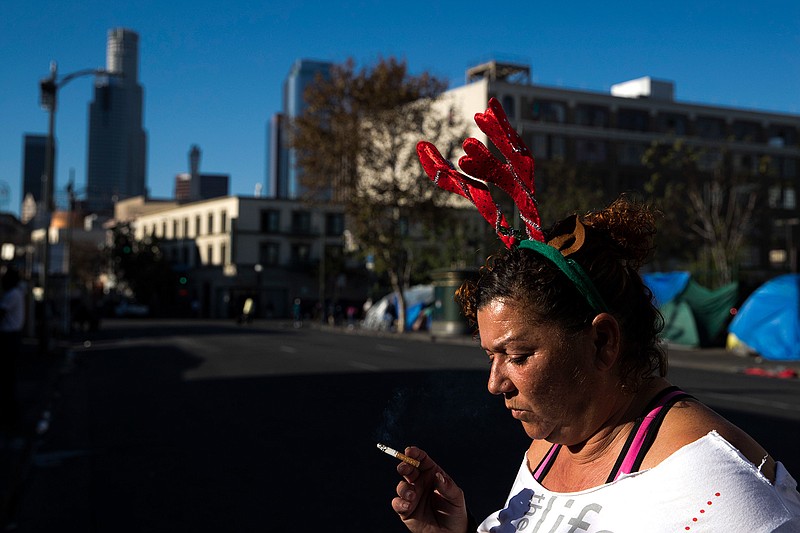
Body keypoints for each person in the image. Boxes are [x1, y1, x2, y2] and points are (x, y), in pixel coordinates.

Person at [388, 99, 800, 532]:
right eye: (491, 355)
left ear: (602, 341)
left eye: (519, 355)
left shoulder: (720, 497)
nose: (494, 384)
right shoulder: (549, 448)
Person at [0, 267, 26, 431]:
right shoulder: (17, 293)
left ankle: (10, 415)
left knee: (7, 378)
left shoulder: (12, 295)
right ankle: (11, 413)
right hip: (13, 337)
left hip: (9, 338)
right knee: (8, 377)